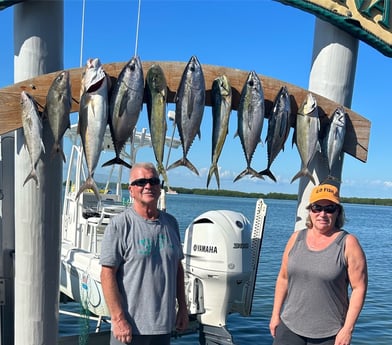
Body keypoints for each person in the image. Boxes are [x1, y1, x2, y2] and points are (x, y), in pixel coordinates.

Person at [100, 162, 189, 345]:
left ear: (160, 187)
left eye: (153, 181)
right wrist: (118, 320)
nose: (148, 186)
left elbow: (177, 269)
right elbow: (107, 274)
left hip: (163, 327)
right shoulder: (120, 225)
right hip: (129, 330)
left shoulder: (171, 223)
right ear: (131, 190)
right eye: (141, 182)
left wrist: (183, 308)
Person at [269, 183, 367, 345]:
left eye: (329, 208)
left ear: (338, 212)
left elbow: (359, 288)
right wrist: (275, 315)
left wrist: (348, 329)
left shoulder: (348, 243)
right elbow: (283, 278)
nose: (322, 214)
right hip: (290, 327)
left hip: (330, 333)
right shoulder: (296, 238)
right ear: (309, 210)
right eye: (317, 208)